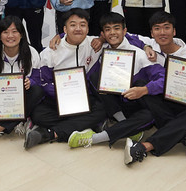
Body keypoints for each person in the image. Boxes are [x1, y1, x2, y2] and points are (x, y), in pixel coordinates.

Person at [67, 12, 158, 149]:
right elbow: (73, 35)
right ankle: (127, 126)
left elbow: (160, 78)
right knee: (94, 77)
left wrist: (144, 90)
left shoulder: (140, 54)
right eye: (108, 30)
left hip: (136, 104)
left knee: (149, 115)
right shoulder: (103, 52)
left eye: (116, 28)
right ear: (103, 34)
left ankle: (95, 138)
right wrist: (59, 36)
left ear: (124, 31)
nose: (112, 33)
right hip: (115, 106)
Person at [124, 11, 186, 165]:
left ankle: (143, 147)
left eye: (166, 28)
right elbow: (127, 35)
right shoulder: (152, 43)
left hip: (179, 101)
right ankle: (183, 135)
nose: (162, 33)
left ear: (174, 31)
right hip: (160, 98)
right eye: (157, 28)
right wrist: (146, 46)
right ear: (152, 33)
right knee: (141, 85)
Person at [23, 8, 107, 149]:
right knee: (39, 114)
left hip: (84, 99)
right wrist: (63, 95)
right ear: (65, 28)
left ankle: (49, 133)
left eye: (82, 25)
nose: (78, 29)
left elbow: (120, 36)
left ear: (88, 28)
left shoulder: (94, 44)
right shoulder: (51, 51)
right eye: (73, 25)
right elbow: (43, 82)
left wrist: (102, 38)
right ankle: (86, 126)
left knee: (103, 108)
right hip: (58, 100)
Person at [0, 16, 48, 139]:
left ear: (21, 34)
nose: (10, 36)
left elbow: (38, 81)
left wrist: (30, 82)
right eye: (5, 32)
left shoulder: (32, 53)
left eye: (14, 31)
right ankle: (21, 120)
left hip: (23, 99)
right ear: (0, 35)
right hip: (0, 101)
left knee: (38, 92)